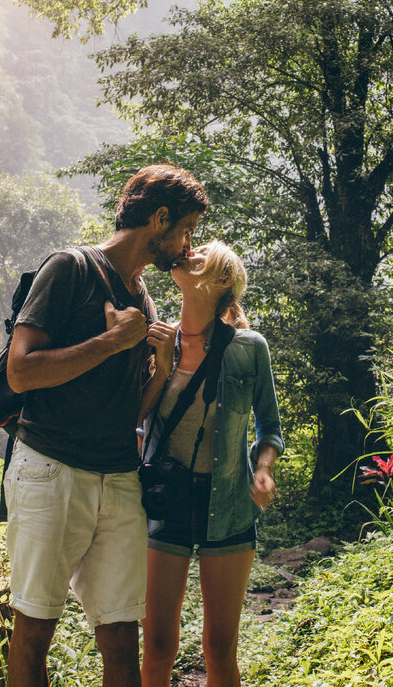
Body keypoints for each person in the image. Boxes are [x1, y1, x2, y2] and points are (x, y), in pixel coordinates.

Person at [3, 165, 207, 687]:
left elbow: (129, 413)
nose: (188, 246)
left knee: (121, 638)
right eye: (185, 230)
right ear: (159, 219)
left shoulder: (143, 298)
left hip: (118, 477)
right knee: (34, 631)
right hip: (50, 468)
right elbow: (21, 372)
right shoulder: (70, 268)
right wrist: (112, 342)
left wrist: (160, 370)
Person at [140, 241, 285, 687]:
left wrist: (263, 468)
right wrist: (160, 367)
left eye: (202, 250)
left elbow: (270, 427)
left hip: (230, 505)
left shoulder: (249, 348)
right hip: (166, 504)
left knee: (219, 647)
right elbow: (135, 419)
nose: (188, 250)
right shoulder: (156, 339)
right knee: (159, 645)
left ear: (222, 280)